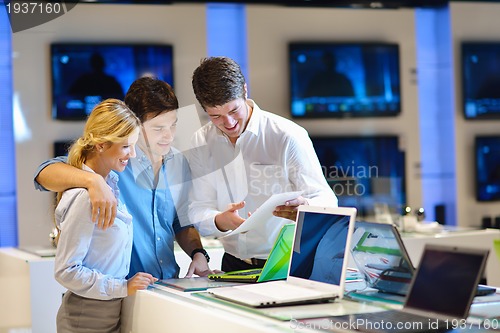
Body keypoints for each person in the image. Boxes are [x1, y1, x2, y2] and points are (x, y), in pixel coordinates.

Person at [34, 77, 212, 279]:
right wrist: (94, 181)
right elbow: (43, 173)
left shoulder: (179, 163)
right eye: (158, 128)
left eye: (173, 125)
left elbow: (182, 223)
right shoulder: (115, 161)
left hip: (169, 284)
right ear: (134, 124)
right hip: (121, 290)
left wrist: (198, 253)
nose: (169, 136)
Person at [188, 56, 338, 272]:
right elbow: (197, 208)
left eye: (233, 111)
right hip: (232, 265)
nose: (228, 123)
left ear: (245, 91)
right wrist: (220, 220)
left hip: (286, 264)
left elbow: (327, 200)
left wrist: (306, 210)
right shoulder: (200, 141)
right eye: (216, 116)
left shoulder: (288, 136)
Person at [54, 98, 155, 332]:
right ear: (101, 145)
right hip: (86, 318)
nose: (132, 154)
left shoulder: (110, 186)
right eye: (126, 146)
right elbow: (65, 271)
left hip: (108, 313)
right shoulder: (85, 197)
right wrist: (122, 287)